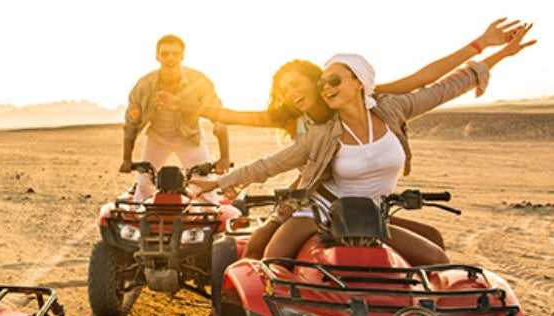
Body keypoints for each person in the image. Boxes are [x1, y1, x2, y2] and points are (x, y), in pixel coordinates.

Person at [196, 25, 536, 265]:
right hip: (322, 211)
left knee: (434, 254)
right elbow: (271, 163)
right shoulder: (323, 132)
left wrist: (498, 51)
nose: (326, 87)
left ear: (359, 82)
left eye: (333, 80)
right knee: (272, 260)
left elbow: (446, 84)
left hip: (372, 215)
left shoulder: (392, 109)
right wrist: (218, 182)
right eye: (322, 83)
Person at [120, 34, 231, 201]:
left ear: (182, 56)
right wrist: (126, 159)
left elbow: (218, 115)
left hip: (189, 137)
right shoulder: (144, 85)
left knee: (204, 188)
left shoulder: (199, 82)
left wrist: (225, 157)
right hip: (158, 137)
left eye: (175, 53)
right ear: (157, 56)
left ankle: (210, 224)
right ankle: (139, 226)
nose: (170, 58)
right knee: (144, 185)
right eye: (165, 54)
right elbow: (131, 123)